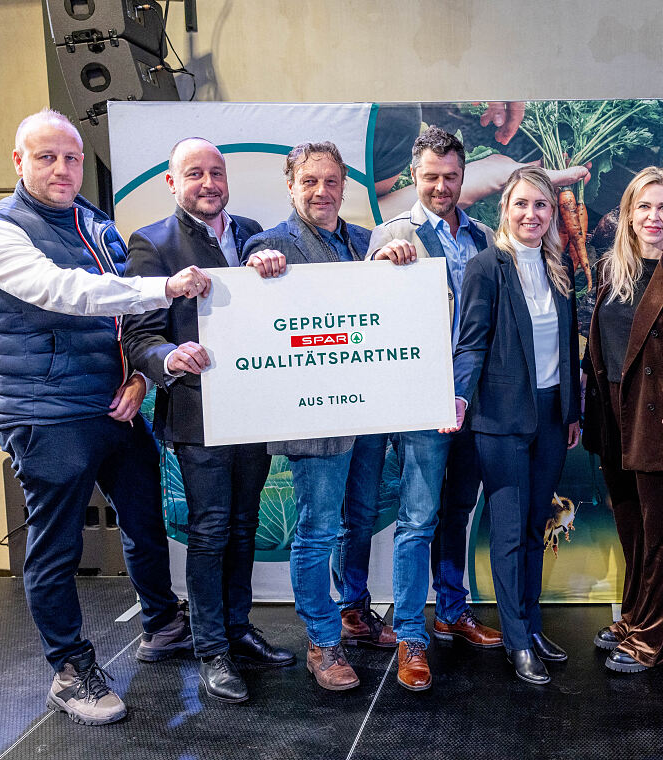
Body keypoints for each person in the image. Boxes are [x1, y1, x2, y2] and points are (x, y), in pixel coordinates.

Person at [0, 109, 213, 725]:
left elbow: (122, 322)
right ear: (18, 162)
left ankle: (161, 624)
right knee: (56, 547)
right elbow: (66, 291)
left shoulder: (96, 224)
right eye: (47, 156)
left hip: (116, 405)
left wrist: (138, 376)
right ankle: (71, 670)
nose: (62, 168)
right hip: (47, 414)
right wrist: (163, 289)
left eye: (73, 157)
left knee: (145, 522)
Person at [122, 138, 295, 704]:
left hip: (254, 409)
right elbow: (141, 335)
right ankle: (210, 649)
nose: (209, 182)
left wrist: (276, 266)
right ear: (172, 183)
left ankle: (238, 629)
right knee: (211, 529)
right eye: (194, 173)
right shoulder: (152, 242)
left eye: (216, 172)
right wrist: (168, 359)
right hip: (198, 415)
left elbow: (284, 309)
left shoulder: (254, 233)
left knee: (244, 525)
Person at [240, 141, 416, 691]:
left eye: (332, 181)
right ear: (291, 186)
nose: (322, 192)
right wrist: (254, 273)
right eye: (310, 181)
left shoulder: (367, 242)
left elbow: (391, 311)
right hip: (314, 418)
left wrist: (400, 266)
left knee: (360, 518)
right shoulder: (270, 246)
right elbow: (252, 313)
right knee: (317, 531)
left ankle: (354, 611)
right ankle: (322, 639)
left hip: (367, 408)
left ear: (345, 186)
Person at [366, 127, 504, 693]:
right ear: (414, 178)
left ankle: (452, 610)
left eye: (451, 176)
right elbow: (367, 306)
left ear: (462, 176)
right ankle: (410, 636)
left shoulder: (483, 237)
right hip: (420, 399)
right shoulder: (395, 232)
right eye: (431, 177)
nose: (442, 186)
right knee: (417, 518)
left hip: (473, 397)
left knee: (457, 511)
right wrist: (382, 261)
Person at [449, 166, 581, 685]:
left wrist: (571, 412)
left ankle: (530, 624)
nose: (532, 214)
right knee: (507, 533)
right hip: (500, 421)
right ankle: (516, 640)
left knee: (534, 529)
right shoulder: (487, 266)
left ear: (552, 214)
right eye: (522, 204)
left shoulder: (560, 265)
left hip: (551, 418)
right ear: (505, 210)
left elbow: (568, 346)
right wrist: (460, 397)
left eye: (541, 206)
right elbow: (473, 340)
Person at [581, 167, 663, 673]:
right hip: (611, 411)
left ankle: (653, 637)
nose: (653, 217)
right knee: (629, 525)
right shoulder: (609, 268)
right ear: (628, 215)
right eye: (644, 207)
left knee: (657, 533)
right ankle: (634, 616)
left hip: (658, 415)